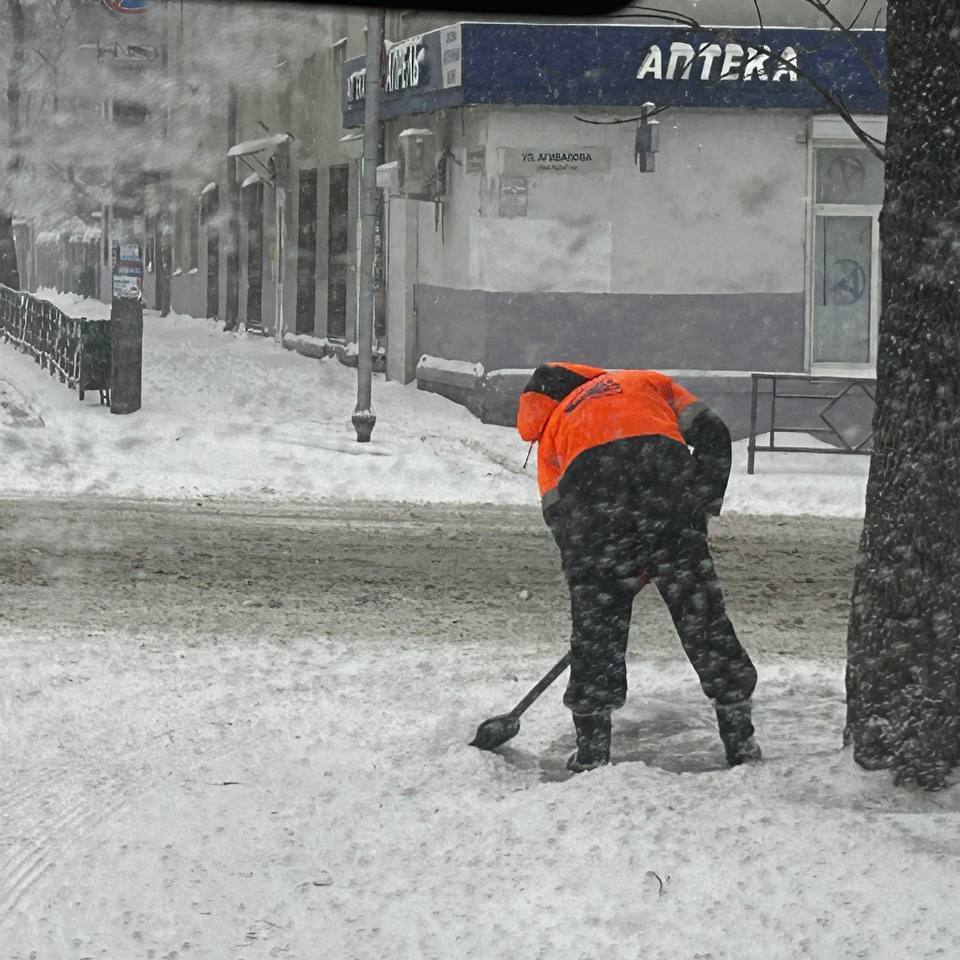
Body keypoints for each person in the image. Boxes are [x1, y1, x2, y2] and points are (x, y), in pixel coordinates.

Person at [516, 362, 760, 773]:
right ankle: (740, 738)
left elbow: (558, 516)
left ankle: (592, 750)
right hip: (667, 488)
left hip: (594, 510)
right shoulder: (645, 382)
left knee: (596, 635)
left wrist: (594, 579)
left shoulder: (554, 428)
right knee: (703, 617)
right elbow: (714, 432)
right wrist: (698, 505)